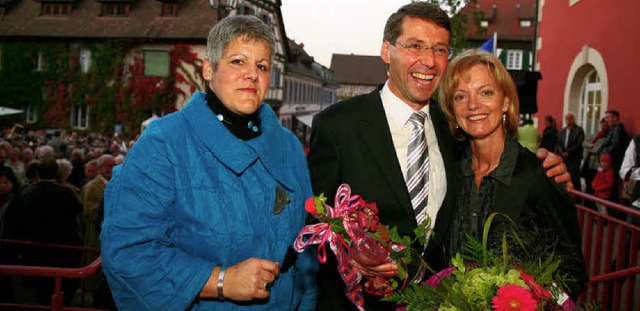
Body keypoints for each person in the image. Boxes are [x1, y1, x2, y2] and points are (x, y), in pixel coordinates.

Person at [307, 3, 570, 311]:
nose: (429, 61)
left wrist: (546, 164)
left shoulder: (453, 127)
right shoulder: (339, 126)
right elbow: (313, 219)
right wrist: (351, 255)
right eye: (415, 46)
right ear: (386, 50)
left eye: (440, 49)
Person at [101, 15, 317, 310]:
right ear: (208, 69)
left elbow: (306, 251)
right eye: (238, 61)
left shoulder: (289, 147)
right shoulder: (164, 143)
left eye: (262, 66)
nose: (252, 74)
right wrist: (220, 281)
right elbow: (128, 253)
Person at [440, 49, 587, 300]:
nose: (473, 105)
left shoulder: (539, 176)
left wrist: (530, 302)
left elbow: (572, 271)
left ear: (505, 101)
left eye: (486, 92)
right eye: (461, 96)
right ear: (452, 110)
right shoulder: (447, 173)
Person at [21, 158, 83, 305]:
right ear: (56, 173)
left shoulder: (27, 193)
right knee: (63, 291)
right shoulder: (65, 192)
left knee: (42, 292)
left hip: (37, 248)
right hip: (63, 249)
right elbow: (78, 210)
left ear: (37, 172)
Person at [581, 118, 610, 195]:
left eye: (605, 125)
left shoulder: (607, 137)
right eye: (602, 124)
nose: (603, 126)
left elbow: (597, 150)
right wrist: (591, 145)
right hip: (588, 162)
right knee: (587, 183)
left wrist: (591, 147)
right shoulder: (596, 134)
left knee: (594, 185)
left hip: (597, 164)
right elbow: (584, 142)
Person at [558, 112, 585, 189]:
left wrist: (569, 152)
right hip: (563, 157)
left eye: (570, 118)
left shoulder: (579, 130)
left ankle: (577, 196)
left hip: (574, 157)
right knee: (564, 176)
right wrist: (561, 152)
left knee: (574, 177)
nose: (568, 120)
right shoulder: (563, 131)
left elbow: (579, 143)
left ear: (573, 119)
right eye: (567, 118)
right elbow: (559, 143)